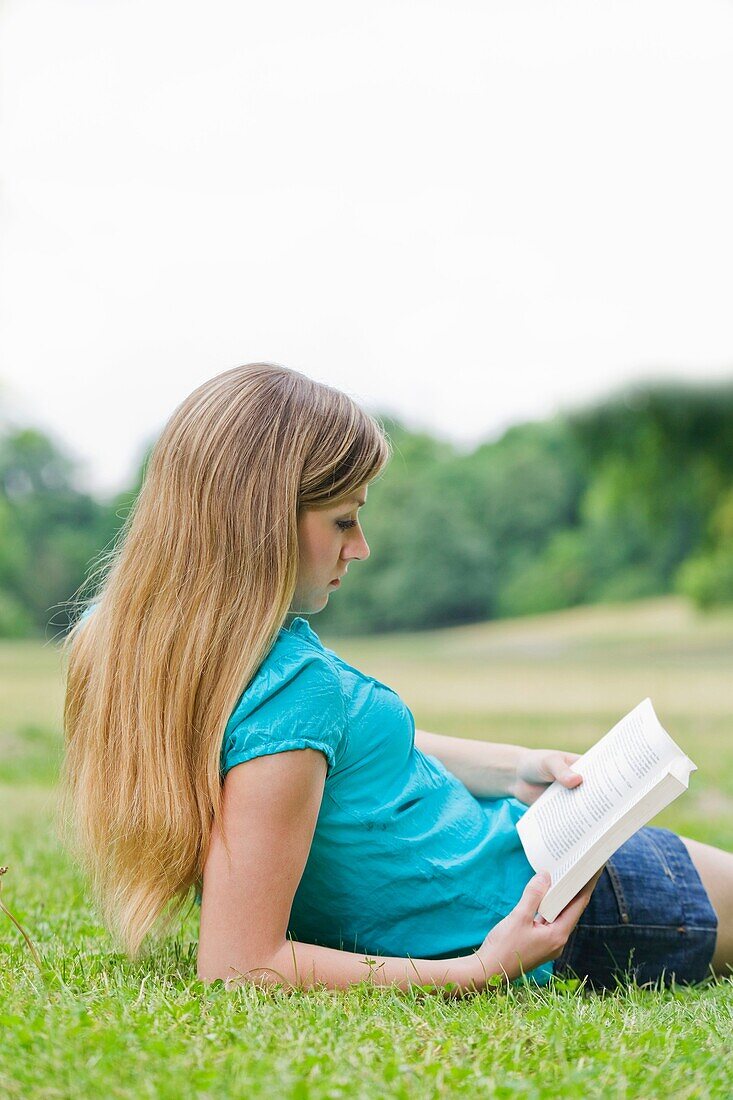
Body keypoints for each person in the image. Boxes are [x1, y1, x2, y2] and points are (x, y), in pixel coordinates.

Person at [61, 363, 732, 995]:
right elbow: (239, 965)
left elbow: (322, 753)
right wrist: (477, 970)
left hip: (528, 850)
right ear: (259, 521)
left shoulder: (123, 642)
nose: (360, 547)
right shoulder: (292, 685)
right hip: (564, 902)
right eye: (343, 519)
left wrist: (512, 768)